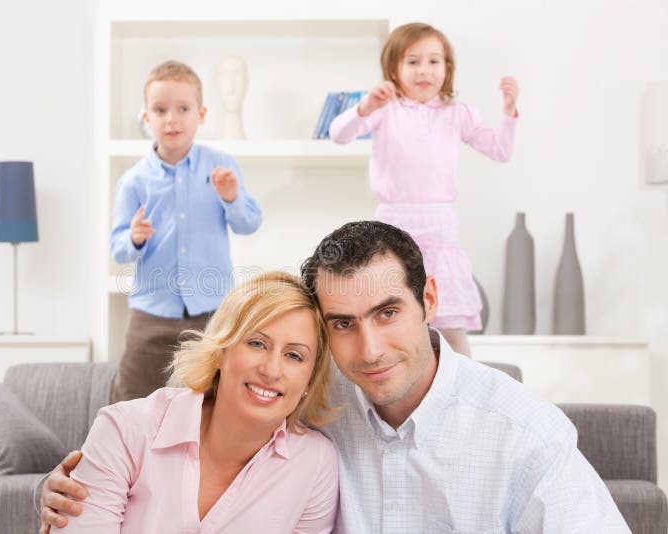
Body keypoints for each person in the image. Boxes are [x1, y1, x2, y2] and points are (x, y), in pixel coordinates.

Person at [40, 221, 630, 534]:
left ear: (429, 297)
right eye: (343, 323)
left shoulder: (522, 432)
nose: (369, 349)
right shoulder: (312, 399)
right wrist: (67, 484)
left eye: (388, 313)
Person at [51, 271, 338, 533]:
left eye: (294, 356)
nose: (271, 370)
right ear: (222, 350)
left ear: (309, 382)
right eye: (257, 343)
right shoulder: (125, 430)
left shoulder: (315, 464)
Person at [329, 22, 519, 356]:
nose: (424, 71)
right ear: (394, 68)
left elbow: (500, 150)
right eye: (413, 61)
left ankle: (463, 392)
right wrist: (365, 108)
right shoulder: (384, 110)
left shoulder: (457, 113)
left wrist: (508, 113)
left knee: (449, 324)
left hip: (440, 226)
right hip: (393, 223)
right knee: (393, 314)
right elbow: (338, 134)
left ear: (448, 69)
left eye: (434, 61)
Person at [110, 60, 262, 402]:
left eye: (183, 108)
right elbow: (118, 248)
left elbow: (249, 223)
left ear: (201, 114)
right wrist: (133, 237)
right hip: (151, 314)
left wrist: (231, 197)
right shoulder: (133, 181)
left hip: (212, 313)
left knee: (215, 400)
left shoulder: (221, 167)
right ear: (147, 118)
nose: (172, 119)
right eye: (160, 110)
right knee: (131, 398)